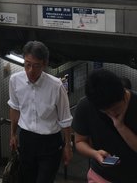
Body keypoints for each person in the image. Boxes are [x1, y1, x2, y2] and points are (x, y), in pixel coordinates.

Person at [8, 41, 73, 183]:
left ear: (44, 64)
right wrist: (13, 134)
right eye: (27, 64)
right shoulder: (15, 80)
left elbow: (65, 119)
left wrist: (68, 146)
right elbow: (14, 108)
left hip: (50, 142)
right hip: (26, 139)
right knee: (27, 179)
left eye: (36, 65)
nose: (31, 70)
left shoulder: (56, 85)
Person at [72, 68, 137, 183]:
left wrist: (120, 126)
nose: (112, 114)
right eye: (105, 111)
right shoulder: (86, 106)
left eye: (116, 108)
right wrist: (95, 154)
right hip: (101, 176)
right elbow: (79, 142)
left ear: (123, 92)